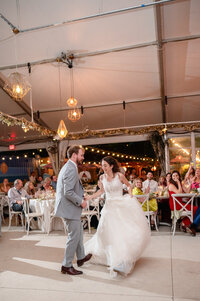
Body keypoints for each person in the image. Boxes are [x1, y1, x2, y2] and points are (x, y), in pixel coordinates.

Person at [84, 156, 150, 277]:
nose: (103, 168)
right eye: (102, 165)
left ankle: (122, 260)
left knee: (121, 232)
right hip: (108, 208)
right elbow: (101, 191)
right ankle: (103, 254)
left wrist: (130, 195)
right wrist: (89, 197)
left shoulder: (119, 175)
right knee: (104, 231)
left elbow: (129, 185)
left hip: (120, 206)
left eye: (105, 165)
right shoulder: (102, 177)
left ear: (111, 166)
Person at [54, 145, 92, 276]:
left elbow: (71, 189)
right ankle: (66, 265)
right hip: (68, 208)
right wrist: (81, 201)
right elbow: (68, 192)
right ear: (74, 155)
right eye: (81, 155)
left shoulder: (70, 167)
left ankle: (80, 257)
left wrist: (81, 196)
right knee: (73, 237)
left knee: (79, 232)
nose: (83, 157)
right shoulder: (70, 168)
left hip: (69, 207)